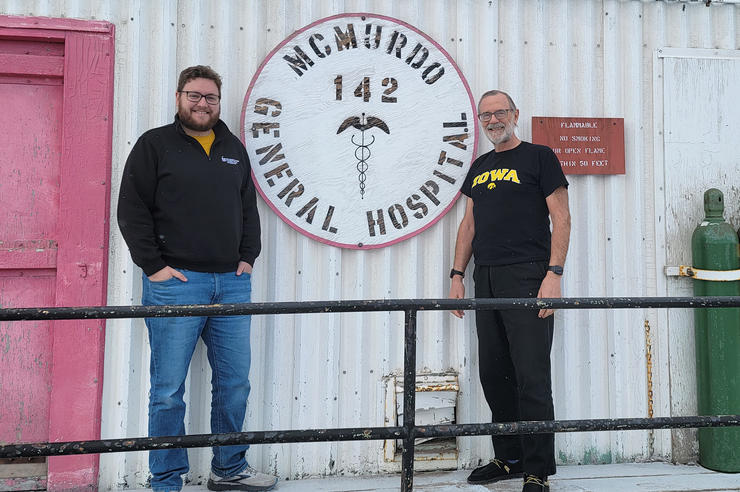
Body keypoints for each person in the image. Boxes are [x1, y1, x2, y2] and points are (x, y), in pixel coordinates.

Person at [117, 65, 277, 492]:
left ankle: (229, 469)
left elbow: (247, 207)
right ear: (178, 97)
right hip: (175, 283)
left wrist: (248, 257)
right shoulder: (155, 145)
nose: (202, 103)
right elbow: (132, 209)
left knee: (234, 382)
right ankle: (166, 479)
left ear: (219, 102)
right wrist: (153, 266)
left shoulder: (233, 149)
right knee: (168, 389)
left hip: (231, 282)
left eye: (210, 97)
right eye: (194, 95)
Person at [448, 90, 570, 492]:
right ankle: (510, 458)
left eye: (500, 112)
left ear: (515, 114)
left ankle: (537, 470)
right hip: (487, 279)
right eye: (486, 115)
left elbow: (561, 216)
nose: (493, 120)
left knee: (531, 375)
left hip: (529, 276)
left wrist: (554, 274)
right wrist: (456, 275)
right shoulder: (480, 167)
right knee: (495, 374)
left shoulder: (539, 157)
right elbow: (469, 225)